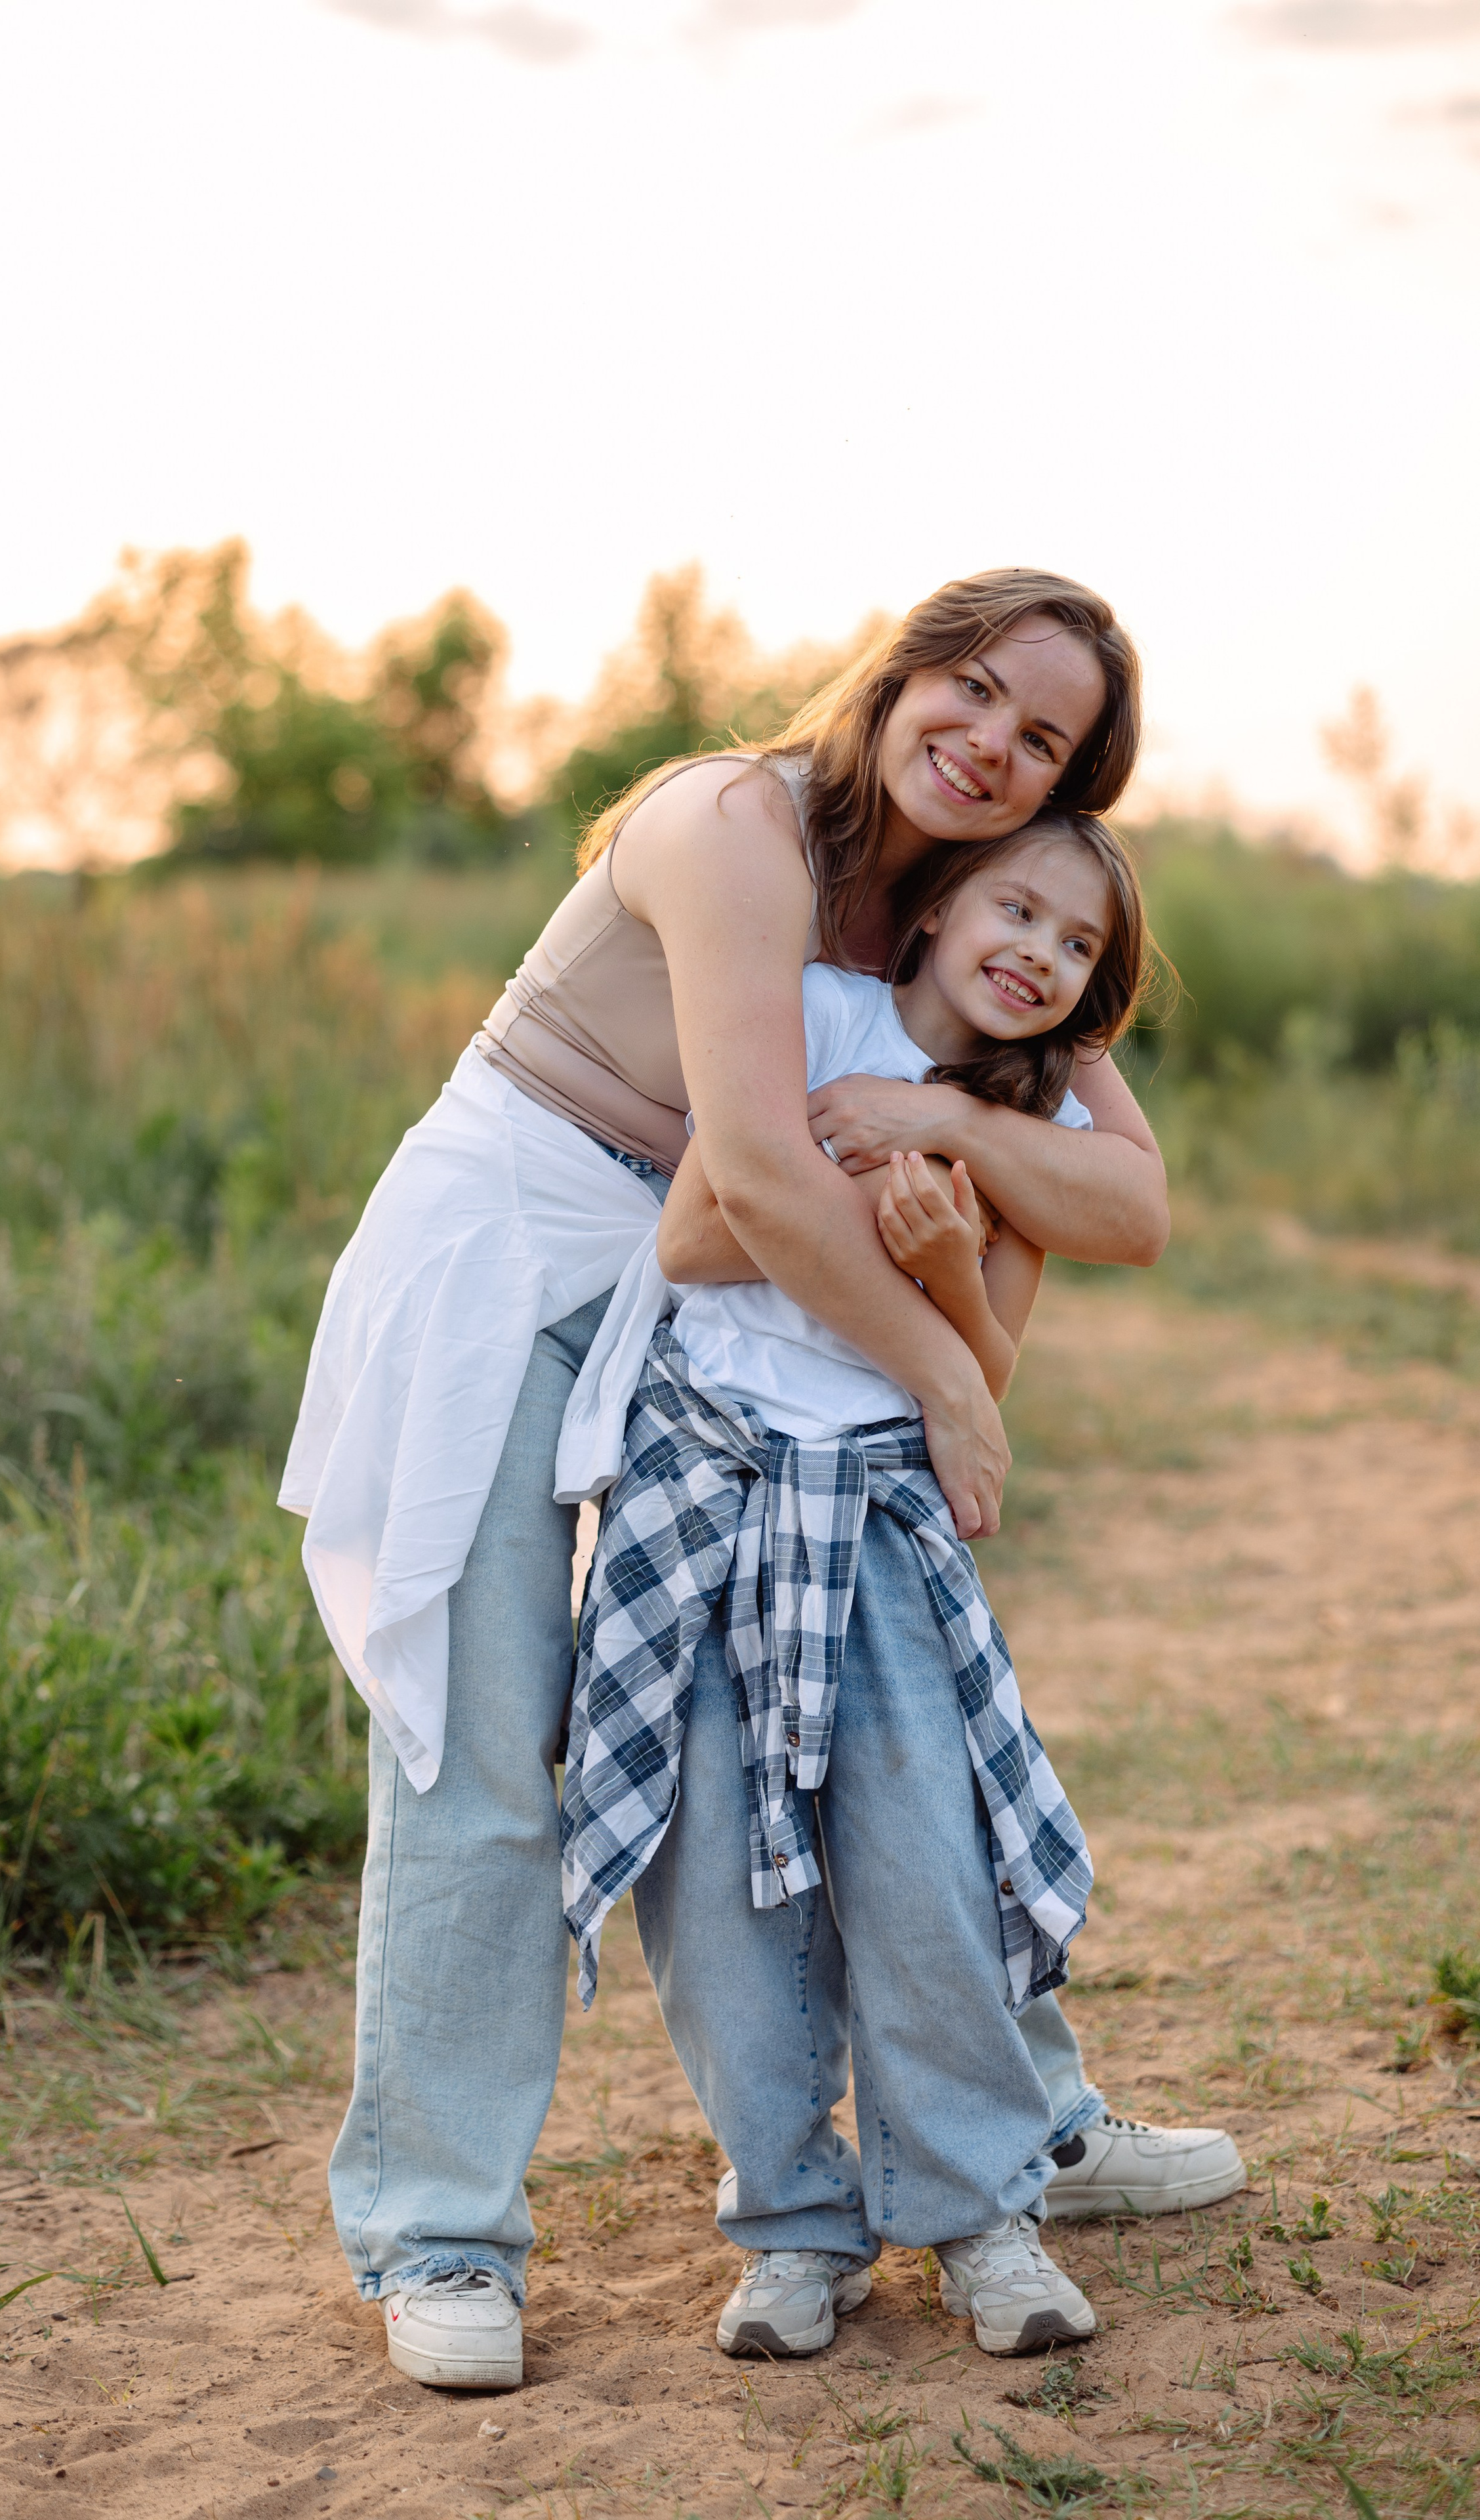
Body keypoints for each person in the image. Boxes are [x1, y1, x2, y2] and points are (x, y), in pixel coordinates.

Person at [279, 570, 1241, 2396]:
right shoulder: (733, 822)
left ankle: (1024, 2131)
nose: (993, 744)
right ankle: (440, 2231)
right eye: (973, 690)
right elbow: (762, 1179)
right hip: (521, 1250)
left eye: (1044, 741)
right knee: (486, 1739)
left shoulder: (967, 905)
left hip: (702, 1298)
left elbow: (1127, 1194)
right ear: (900, 667)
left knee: (901, 1722)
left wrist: (959, 1120)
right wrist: (956, 1377)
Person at [562, 812, 1155, 2361]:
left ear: (1091, 989)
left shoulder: (1032, 1136)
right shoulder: (816, 1016)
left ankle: (975, 2214)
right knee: (714, 1888)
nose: (1032, 949)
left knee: (921, 1864)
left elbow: (983, 1383)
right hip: (704, 1483)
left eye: (1073, 942)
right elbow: (696, 1235)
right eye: (1011, 909)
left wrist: (948, 1246)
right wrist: (858, 1161)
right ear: (937, 909)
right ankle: (790, 2223)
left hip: (879, 1508)